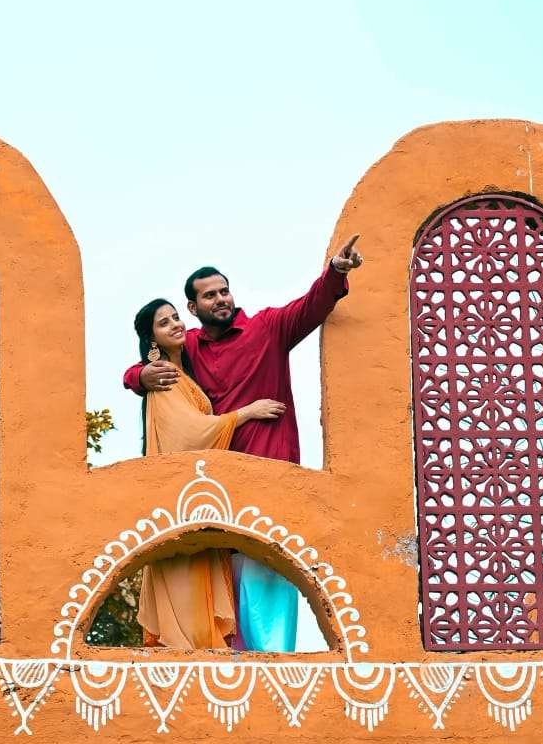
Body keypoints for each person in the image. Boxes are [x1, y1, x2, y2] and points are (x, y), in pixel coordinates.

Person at [123, 235, 363, 652]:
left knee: (268, 589)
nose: (220, 299)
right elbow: (149, 364)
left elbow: (311, 306)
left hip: (269, 476)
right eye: (209, 295)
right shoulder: (190, 346)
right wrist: (138, 376)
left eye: (224, 291)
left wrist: (336, 272)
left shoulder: (267, 328)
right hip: (215, 493)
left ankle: (274, 680)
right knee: (219, 599)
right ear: (193, 307)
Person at [132, 297, 286, 649]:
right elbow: (188, 435)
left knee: (202, 570)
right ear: (152, 339)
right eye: (164, 322)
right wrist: (246, 413)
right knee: (185, 579)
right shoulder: (163, 379)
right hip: (183, 498)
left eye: (175, 317)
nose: (175, 324)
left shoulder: (183, 374)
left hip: (201, 497)